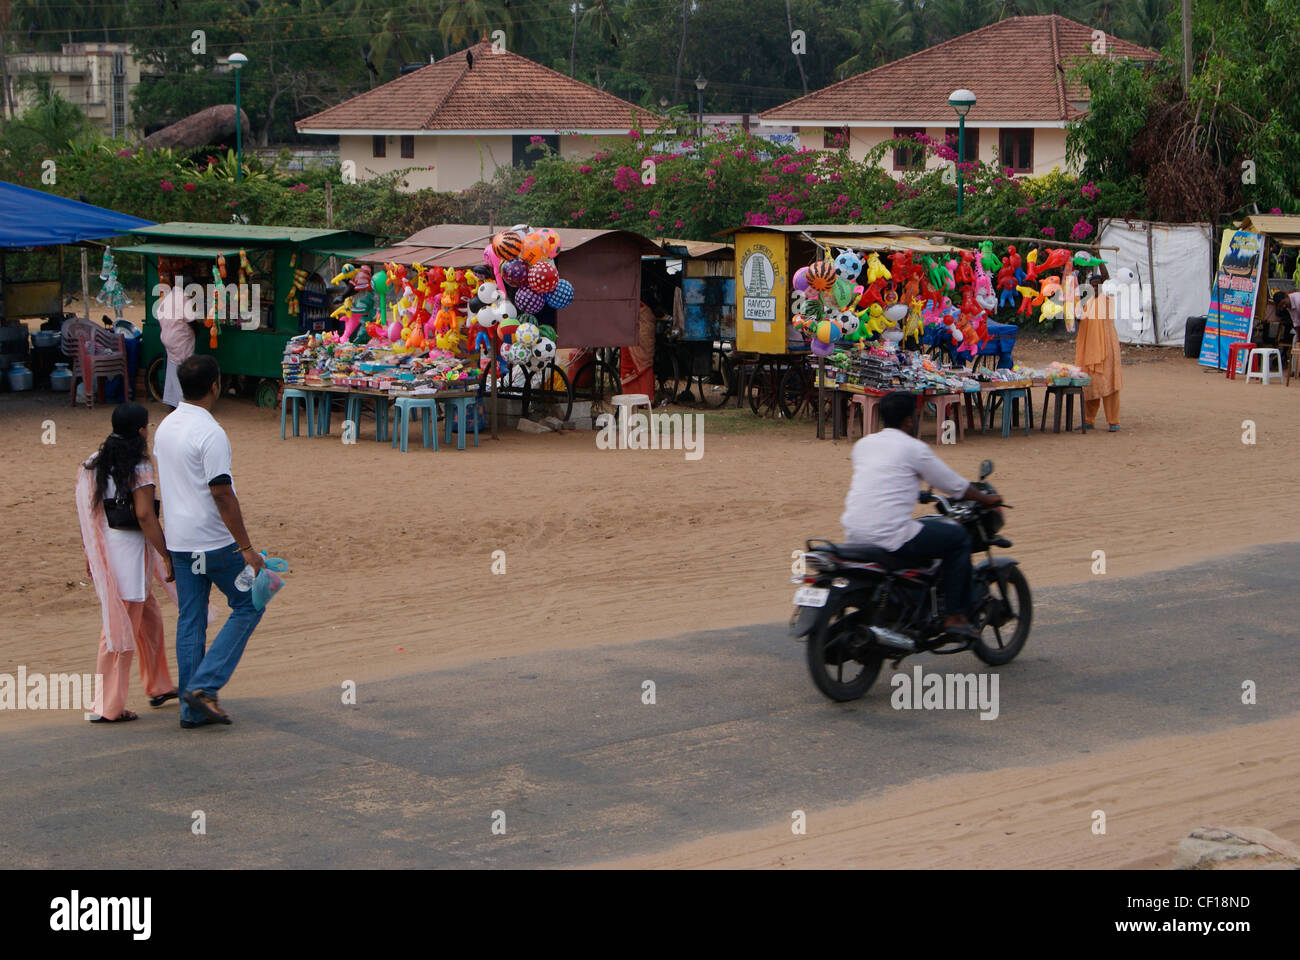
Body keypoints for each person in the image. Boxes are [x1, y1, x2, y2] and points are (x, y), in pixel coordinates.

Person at [153, 355, 265, 728]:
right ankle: (204, 686)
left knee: (191, 620)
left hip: (180, 540)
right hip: (213, 541)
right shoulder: (211, 432)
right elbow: (222, 492)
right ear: (215, 386)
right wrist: (246, 546)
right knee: (249, 604)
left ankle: (192, 707)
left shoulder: (166, 427)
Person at [839, 391, 1001, 639]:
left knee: (923, 531)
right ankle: (954, 617)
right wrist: (985, 498)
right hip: (891, 537)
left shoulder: (864, 445)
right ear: (908, 420)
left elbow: (885, 481)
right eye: (916, 416)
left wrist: (915, 493)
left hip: (854, 532)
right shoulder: (915, 449)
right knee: (957, 538)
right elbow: (953, 485)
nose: (917, 420)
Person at [75, 403, 178, 723]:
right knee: (119, 632)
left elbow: (88, 515)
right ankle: (108, 706)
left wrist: (91, 553)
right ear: (141, 431)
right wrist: (166, 553)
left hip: (109, 549)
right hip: (130, 555)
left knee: (149, 620)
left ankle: (158, 684)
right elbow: (146, 514)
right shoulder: (140, 466)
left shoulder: (94, 462)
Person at [1076, 267, 1122, 432]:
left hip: (1107, 349)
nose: (1095, 288)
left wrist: (1098, 256)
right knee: (1090, 384)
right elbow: (1079, 320)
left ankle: (1113, 421)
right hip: (1089, 350)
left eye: (1098, 285)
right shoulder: (1087, 302)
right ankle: (1089, 419)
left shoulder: (1107, 297)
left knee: (1109, 384)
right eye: (1093, 285)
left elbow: (1107, 277)